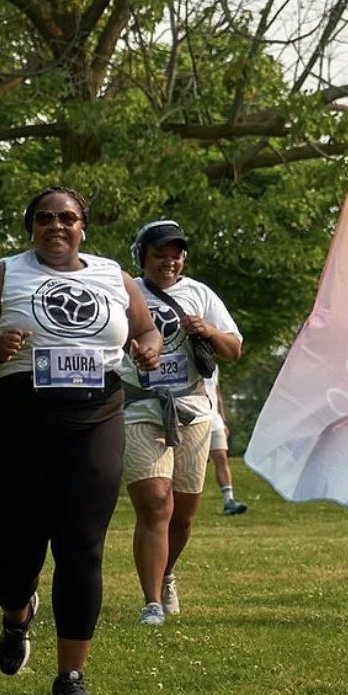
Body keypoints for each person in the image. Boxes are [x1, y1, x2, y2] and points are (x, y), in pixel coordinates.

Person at [0, 185, 162, 695]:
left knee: (81, 546)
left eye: (67, 217)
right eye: (44, 218)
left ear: (83, 225)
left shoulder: (114, 276)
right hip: (15, 421)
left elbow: (148, 330)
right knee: (12, 556)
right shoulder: (5, 273)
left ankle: (70, 676)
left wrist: (147, 348)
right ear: (32, 227)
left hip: (95, 418)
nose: (56, 226)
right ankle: (17, 614)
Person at [122, 220, 243, 623]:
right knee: (156, 503)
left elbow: (234, 349)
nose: (169, 262)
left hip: (193, 411)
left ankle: (167, 572)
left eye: (176, 255)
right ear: (142, 257)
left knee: (184, 515)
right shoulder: (126, 293)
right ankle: (152, 602)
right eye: (159, 255)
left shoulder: (200, 294)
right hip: (140, 408)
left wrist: (206, 329)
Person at [209, 380, 247, 514]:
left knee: (221, 457)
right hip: (191, 419)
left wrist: (223, 421)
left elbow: (217, 395)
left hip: (214, 421)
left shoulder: (214, 367)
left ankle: (229, 501)